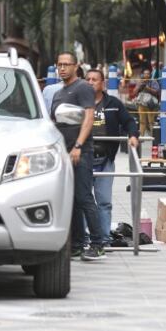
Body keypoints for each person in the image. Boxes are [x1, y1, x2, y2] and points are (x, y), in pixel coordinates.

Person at [50, 51, 105, 262]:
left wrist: (78, 146)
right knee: (70, 200)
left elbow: (89, 117)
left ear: (75, 66)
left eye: (67, 64)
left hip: (80, 153)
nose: (62, 68)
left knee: (84, 197)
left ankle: (98, 244)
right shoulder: (58, 93)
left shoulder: (82, 87)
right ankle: (77, 244)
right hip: (63, 154)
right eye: (59, 65)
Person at [85, 68, 138, 242]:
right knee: (83, 202)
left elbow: (129, 121)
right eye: (88, 79)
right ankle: (84, 237)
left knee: (104, 201)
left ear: (103, 83)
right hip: (84, 160)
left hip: (105, 159)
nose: (91, 82)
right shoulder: (79, 103)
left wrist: (133, 136)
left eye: (95, 79)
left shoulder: (113, 104)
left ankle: (104, 237)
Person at [134, 68, 160, 137]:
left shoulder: (153, 82)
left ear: (150, 75)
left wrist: (147, 88)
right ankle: (141, 137)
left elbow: (156, 92)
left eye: (148, 74)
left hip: (150, 104)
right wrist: (140, 86)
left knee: (151, 122)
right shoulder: (141, 82)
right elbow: (135, 92)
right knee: (142, 122)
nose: (146, 75)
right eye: (145, 74)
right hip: (142, 104)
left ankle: (153, 137)